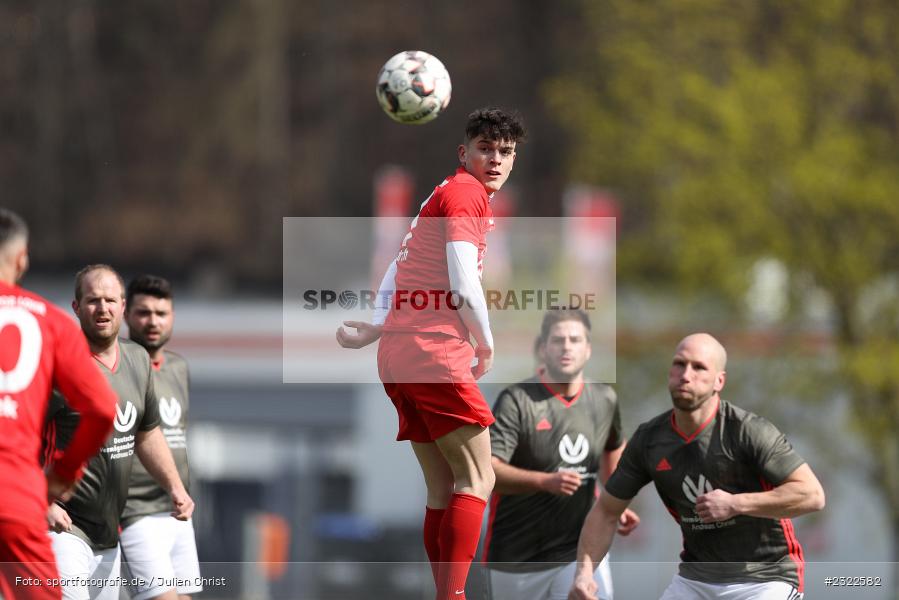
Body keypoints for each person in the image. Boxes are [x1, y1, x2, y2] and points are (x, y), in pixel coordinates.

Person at [336, 107, 526, 600]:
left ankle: (445, 594)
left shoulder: (444, 191)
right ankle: (454, 596)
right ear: (465, 153)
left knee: (444, 487)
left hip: (400, 352)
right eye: (486, 149)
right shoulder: (466, 194)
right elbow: (463, 279)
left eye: (506, 153)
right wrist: (484, 340)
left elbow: (399, 267)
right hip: (433, 348)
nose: (496, 160)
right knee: (478, 478)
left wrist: (377, 327)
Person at [569, 333, 825, 600]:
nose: (686, 374)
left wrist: (735, 504)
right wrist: (584, 574)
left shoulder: (748, 431)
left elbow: (812, 495)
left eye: (699, 367)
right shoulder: (649, 440)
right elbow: (606, 512)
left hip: (765, 580)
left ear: (719, 381)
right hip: (696, 581)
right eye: (679, 364)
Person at [44, 265, 195, 600]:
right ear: (76, 307)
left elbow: (147, 433)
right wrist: (41, 502)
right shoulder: (56, 364)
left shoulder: (137, 359)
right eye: (93, 300)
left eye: (110, 300)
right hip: (61, 527)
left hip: (107, 533)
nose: (102, 308)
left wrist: (174, 487)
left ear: (122, 307)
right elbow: (13, 439)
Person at [0, 209, 117, 600]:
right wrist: (60, 476)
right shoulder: (50, 322)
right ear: (22, 259)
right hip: (16, 494)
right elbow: (102, 408)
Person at [485, 309, 639, 600]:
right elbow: (489, 472)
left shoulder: (604, 399)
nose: (567, 346)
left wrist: (613, 504)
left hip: (580, 553)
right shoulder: (517, 400)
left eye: (575, 339)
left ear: (588, 349)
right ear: (543, 348)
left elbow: (614, 451)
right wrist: (545, 482)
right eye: (558, 340)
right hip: (517, 558)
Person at [119, 275, 202, 600]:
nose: (153, 321)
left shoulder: (179, 367)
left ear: (172, 317)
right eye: (143, 312)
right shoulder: (117, 366)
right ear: (126, 315)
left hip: (177, 509)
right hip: (135, 509)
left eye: (161, 313)